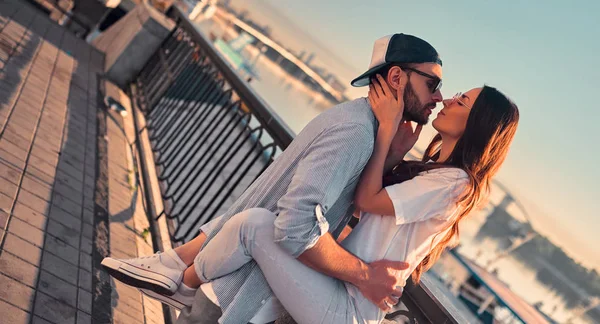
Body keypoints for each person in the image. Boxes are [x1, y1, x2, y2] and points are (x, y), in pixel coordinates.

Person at [102, 33, 446, 323]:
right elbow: (295, 226)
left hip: (229, 283)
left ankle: (173, 264)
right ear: (397, 78)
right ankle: (174, 267)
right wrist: (365, 276)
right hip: (237, 295)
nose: (439, 96)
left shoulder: (356, 120)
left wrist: (389, 157)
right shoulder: (356, 133)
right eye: (432, 83)